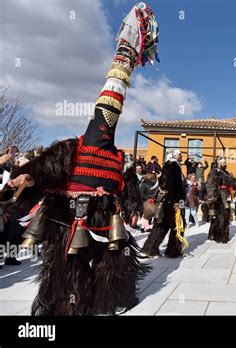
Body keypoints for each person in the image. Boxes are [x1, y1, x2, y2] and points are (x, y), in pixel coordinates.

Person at [6, 3, 158, 315]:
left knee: (114, 262)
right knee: (68, 273)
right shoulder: (71, 147)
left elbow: (124, 186)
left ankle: (112, 298)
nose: (106, 129)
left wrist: (132, 208)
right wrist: (27, 176)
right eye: (103, 124)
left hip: (104, 215)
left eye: (110, 125)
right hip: (69, 216)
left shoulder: (117, 158)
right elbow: (46, 165)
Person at [141, 149, 187, 258]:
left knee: (162, 225)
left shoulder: (168, 165)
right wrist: (176, 202)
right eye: (180, 154)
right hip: (174, 201)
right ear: (174, 156)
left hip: (167, 201)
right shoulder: (173, 166)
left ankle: (149, 248)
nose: (181, 156)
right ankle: (173, 251)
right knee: (177, 225)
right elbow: (172, 185)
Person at [206, 158, 236, 243]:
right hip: (218, 197)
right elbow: (211, 185)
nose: (226, 164)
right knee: (218, 217)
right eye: (224, 163)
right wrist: (212, 198)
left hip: (225, 197)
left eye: (226, 162)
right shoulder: (214, 171)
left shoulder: (225, 173)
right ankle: (218, 236)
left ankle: (219, 236)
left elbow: (232, 181)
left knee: (224, 217)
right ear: (219, 163)